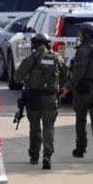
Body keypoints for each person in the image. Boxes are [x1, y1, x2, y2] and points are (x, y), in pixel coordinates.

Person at [14, 33, 69, 170]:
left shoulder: (31, 59)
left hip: (34, 98)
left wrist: (27, 78)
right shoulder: (57, 58)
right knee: (49, 127)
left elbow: (16, 78)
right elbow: (66, 74)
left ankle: (34, 156)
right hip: (51, 98)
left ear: (36, 43)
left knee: (35, 128)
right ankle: (47, 156)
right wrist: (57, 85)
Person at [60, 22, 93, 161]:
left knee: (81, 119)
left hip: (84, 88)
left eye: (80, 32)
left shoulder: (83, 50)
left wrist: (67, 87)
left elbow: (78, 71)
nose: (78, 34)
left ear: (86, 34)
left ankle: (80, 148)